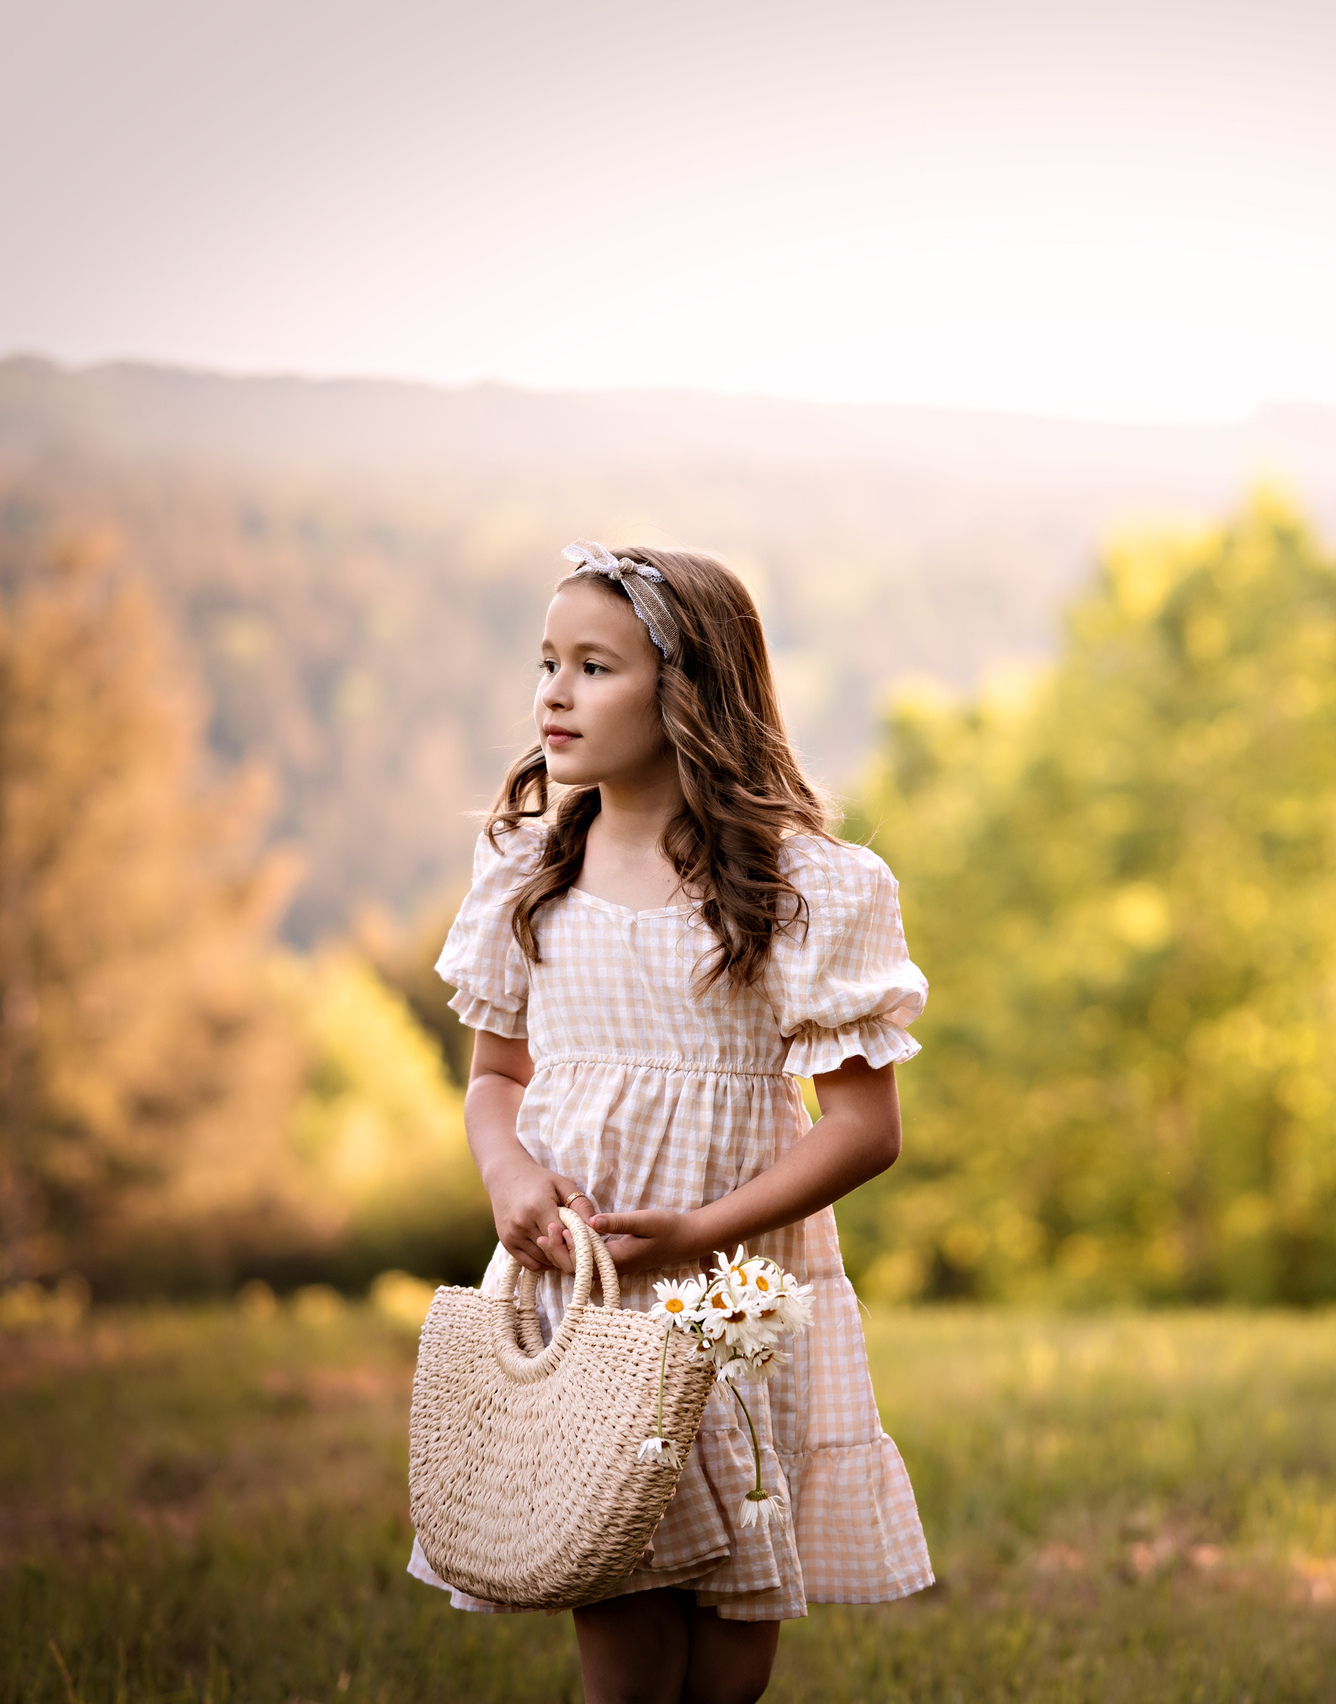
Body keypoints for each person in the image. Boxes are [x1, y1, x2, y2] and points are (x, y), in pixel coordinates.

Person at [406, 541, 935, 1704]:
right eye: (547, 661)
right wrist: (505, 1174)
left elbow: (862, 1128)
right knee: (624, 1634)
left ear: (689, 689)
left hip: (729, 1291)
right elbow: (497, 1076)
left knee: (730, 1652)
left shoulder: (800, 889)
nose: (552, 692)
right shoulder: (528, 870)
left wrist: (700, 1231)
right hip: (586, 1292)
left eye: (594, 666)